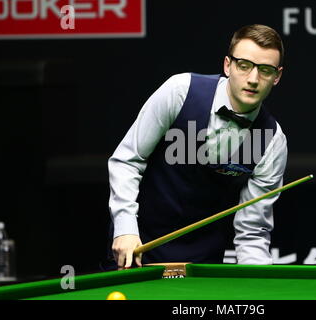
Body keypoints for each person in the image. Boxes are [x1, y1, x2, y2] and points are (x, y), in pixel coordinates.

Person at [105, 24, 288, 270]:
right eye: (244, 65)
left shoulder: (272, 141)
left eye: (265, 70)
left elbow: (252, 231)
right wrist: (125, 228)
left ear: (277, 77)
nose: (253, 79)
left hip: (202, 266)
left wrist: (258, 282)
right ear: (227, 65)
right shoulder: (180, 91)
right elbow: (128, 159)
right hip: (136, 249)